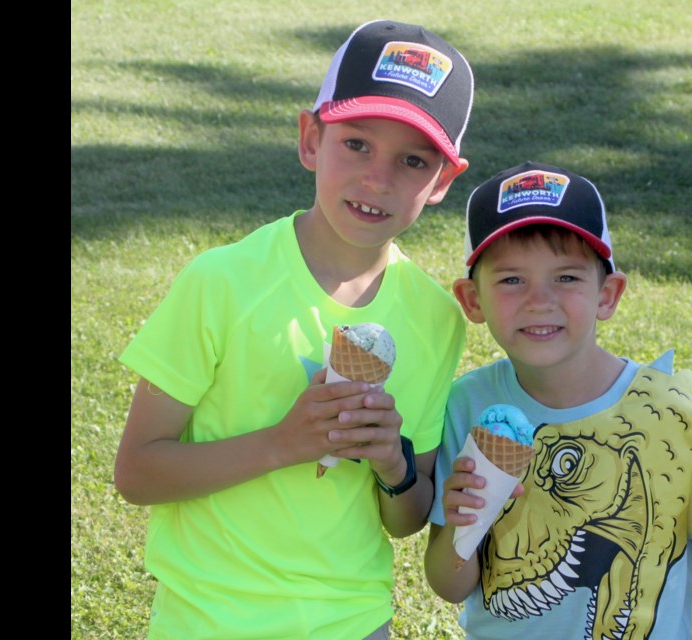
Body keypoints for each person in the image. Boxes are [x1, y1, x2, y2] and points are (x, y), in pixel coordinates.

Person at [114, 20, 473, 640]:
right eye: (356, 144)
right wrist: (282, 443)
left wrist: (394, 464)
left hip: (354, 622)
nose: (377, 179)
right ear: (311, 139)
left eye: (412, 161)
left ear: (442, 180)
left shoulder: (437, 319)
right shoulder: (221, 283)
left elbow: (403, 519)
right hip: (208, 621)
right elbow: (138, 473)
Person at [424, 162, 692, 640]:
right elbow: (448, 585)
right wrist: (463, 525)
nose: (540, 300)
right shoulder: (467, 403)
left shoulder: (677, 415)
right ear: (472, 300)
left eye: (566, 278)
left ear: (608, 293)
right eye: (512, 280)